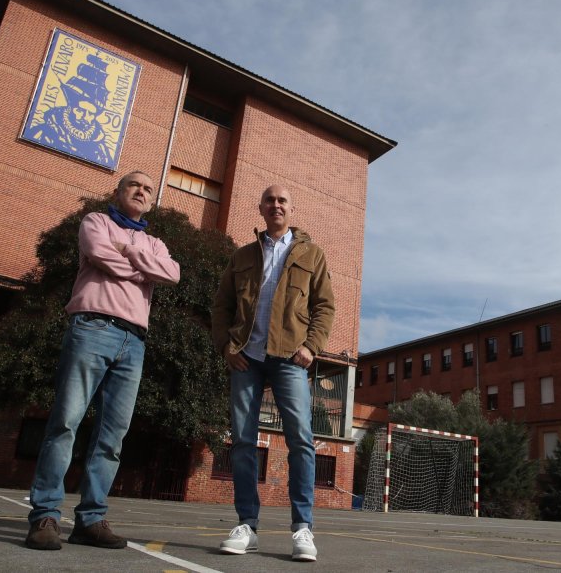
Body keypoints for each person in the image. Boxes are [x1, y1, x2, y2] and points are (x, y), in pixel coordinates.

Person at [25, 170, 181, 550]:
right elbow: (99, 255)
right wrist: (142, 267)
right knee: (66, 422)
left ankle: (90, 520)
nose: (141, 191)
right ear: (119, 191)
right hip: (92, 328)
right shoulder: (96, 221)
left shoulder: (156, 241)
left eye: (148, 189)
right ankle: (45, 516)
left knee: (113, 436)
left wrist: (129, 251)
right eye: (135, 185)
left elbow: (172, 274)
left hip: (134, 341)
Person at [212, 185, 335, 562]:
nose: (276, 205)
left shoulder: (312, 254)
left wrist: (311, 346)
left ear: (291, 209)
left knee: (300, 439)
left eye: (282, 200)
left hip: (289, 358)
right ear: (261, 208)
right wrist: (226, 347)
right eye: (270, 200)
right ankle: (247, 525)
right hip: (246, 357)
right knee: (244, 441)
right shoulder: (243, 255)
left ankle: (303, 529)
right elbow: (222, 306)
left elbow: (324, 306)